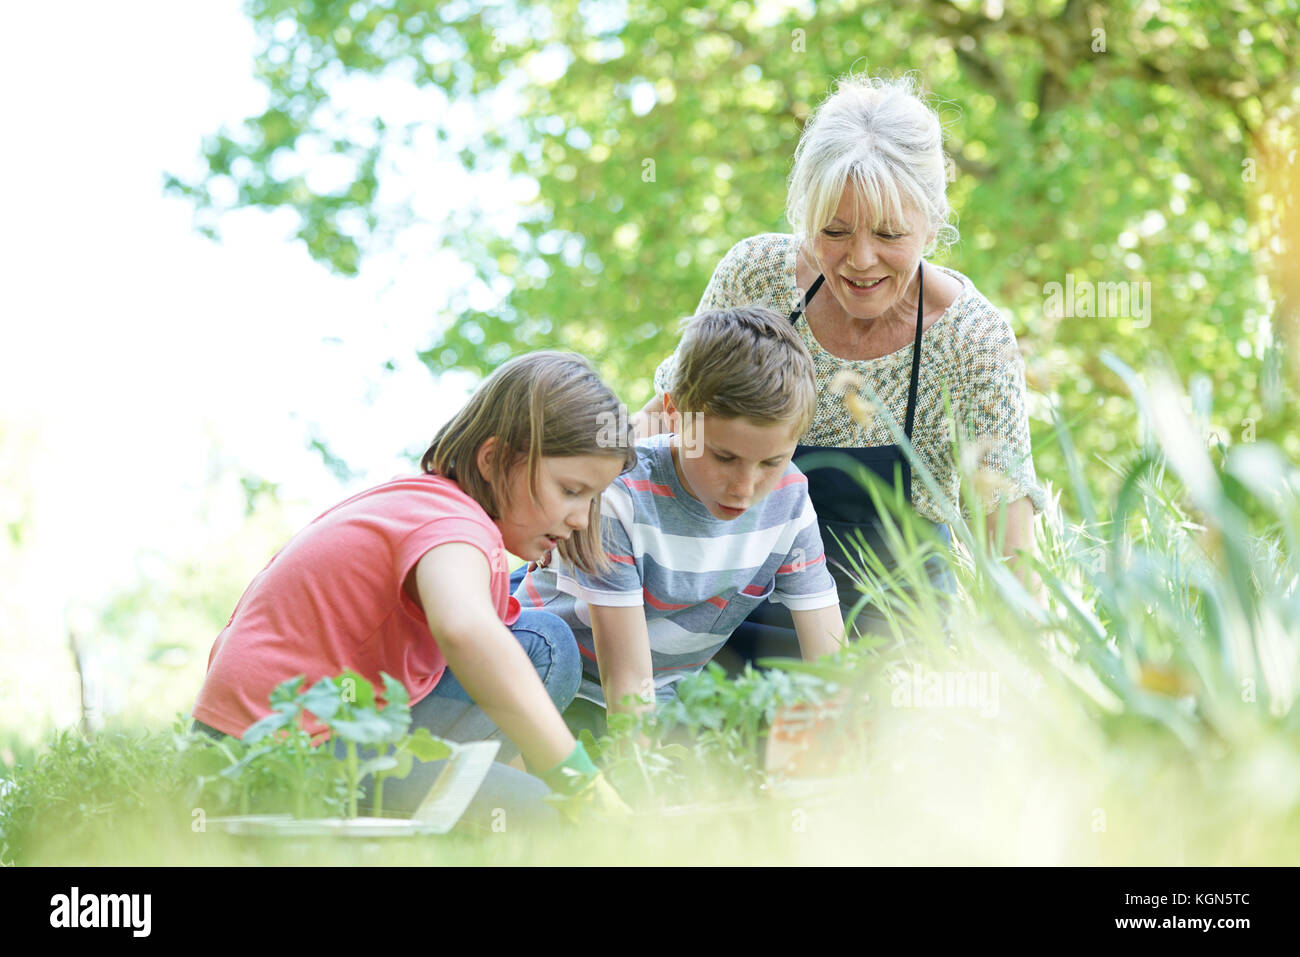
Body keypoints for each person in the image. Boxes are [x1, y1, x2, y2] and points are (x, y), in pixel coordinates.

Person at [632, 73, 1047, 660]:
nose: (859, 260)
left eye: (889, 233)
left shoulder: (973, 341)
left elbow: (1007, 543)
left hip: (890, 629)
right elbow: (669, 420)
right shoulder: (757, 275)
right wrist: (587, 503)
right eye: (833, 230)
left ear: (932, 222)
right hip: (725, 602)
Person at [189, 352, 635, 825]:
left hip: (281, 735)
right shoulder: (455, 525)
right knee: (544, 819)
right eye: (570, 490)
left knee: (544, 645)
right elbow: (464, 629)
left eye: (592, 498)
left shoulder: (425, 503)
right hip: (280, 753)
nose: (581, 518)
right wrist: (577, 781)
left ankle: (460, 798)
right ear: (494, 459)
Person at [514, 307, 845, 736]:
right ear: (674, 414)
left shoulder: (790, 500)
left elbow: (831, 663)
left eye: (771, 461)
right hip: (558, 686)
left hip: (666, 698)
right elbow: (627, 685)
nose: (744, 488)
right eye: (724, 457)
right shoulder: (622, 496)